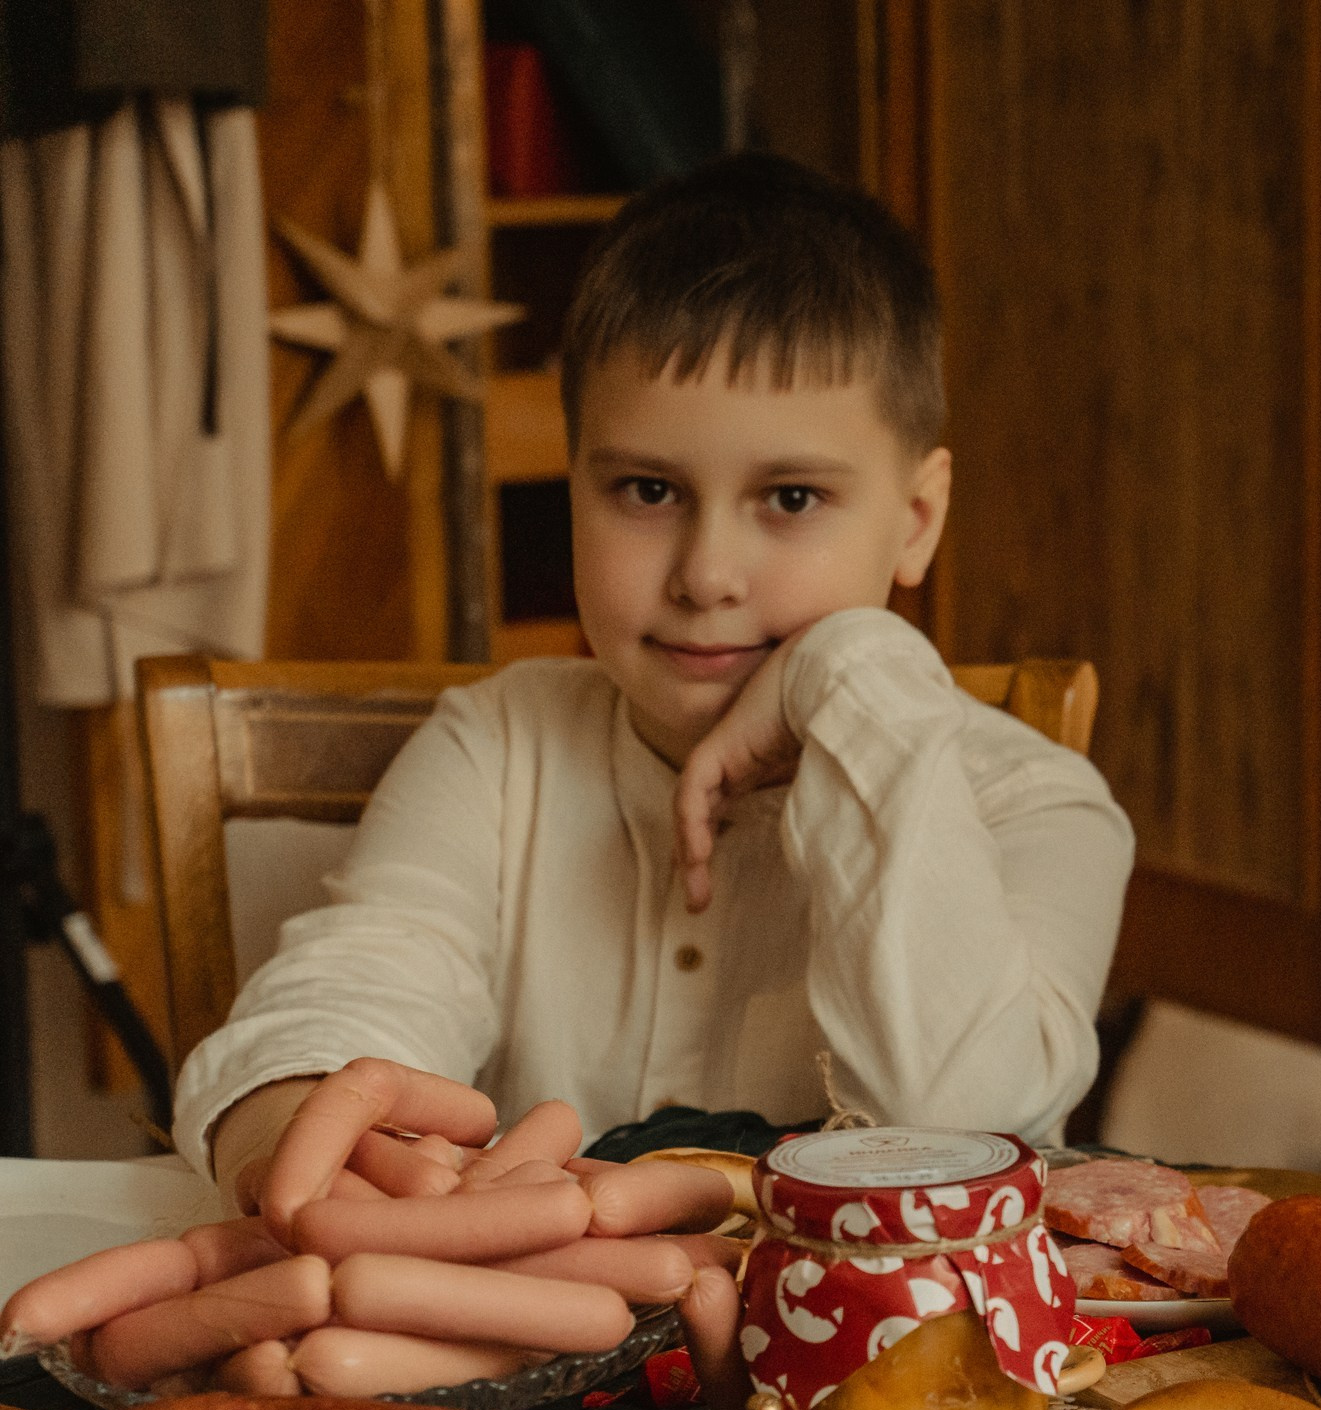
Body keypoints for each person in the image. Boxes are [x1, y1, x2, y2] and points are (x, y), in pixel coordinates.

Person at [181, 152, 1135, 1221]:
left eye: (790, 498)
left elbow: (962, 1136)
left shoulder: (1041, 807)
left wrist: (851, 668)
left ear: (915, 521)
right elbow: (361, 981)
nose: (706, 575)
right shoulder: (498, 748)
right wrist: (300, 1113)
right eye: (647, 490)